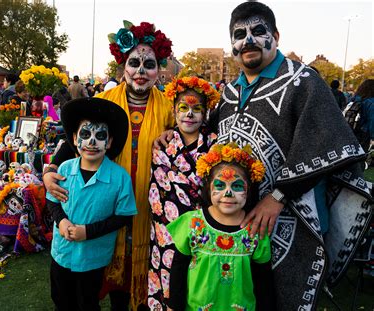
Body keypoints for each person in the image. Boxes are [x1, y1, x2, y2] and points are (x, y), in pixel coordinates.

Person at [207, 2, 371, 309]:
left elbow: (325, 142)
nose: (248, 41)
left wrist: (278, 196)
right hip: (242, 217)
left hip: (294, 219)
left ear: (276, 36)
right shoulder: (230, 93)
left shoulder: (303, 82)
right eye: (239, 34)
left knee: (286, 298)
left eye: (258, 31)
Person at [44, 20, 174, 310]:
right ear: (123, 67)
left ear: (159, 69)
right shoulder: (103, 101)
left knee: (143, 279)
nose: (141, 71)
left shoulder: (169, 108)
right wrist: (50, 171)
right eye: (134, 63)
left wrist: (173, 132)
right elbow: (72, 142)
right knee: (106, 284)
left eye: (149, 64)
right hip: (105, 207)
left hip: (151, 210)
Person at [47, 97, 137, 310]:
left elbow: (123, 216)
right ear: (75, 139)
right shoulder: (64, 169)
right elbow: (53, 202)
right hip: (62, 253)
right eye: (85, 135)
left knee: (88, 302)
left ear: (110, 142)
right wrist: (61, 221)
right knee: (61, 300)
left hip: (93, 257)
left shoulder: (119, 177)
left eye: (100, 136)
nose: (92, 142)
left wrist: (88, 232)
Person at [167, 143, 270, 311]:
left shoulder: (255, 230)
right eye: (220, 185)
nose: (228, 194)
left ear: (248, 189)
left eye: (236, 186)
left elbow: (263, 280)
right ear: (209, 187)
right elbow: (178, 271)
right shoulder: (192, 224)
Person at [147, 76, 219, 310]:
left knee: (199, 285)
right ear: (174, 110)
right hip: (166, 230)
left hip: (202, 229)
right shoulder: (162, 145)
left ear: (206, 113)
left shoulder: (215, 147)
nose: (189, 114)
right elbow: (156, 190)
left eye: (196, 109)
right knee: (167, 281)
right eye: (183, 108)